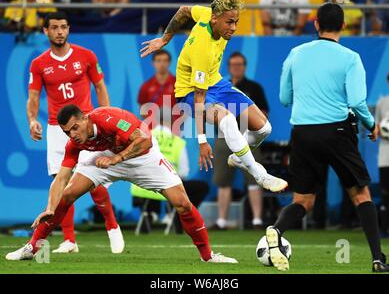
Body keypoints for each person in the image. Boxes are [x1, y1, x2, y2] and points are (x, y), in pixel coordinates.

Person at [6, 105, 237, 264]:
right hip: (103, 157)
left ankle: (208, 256)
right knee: (66, 196)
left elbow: (143, 141)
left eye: (75, 127)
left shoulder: (110, 118)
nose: (72, 135)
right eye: (67, 132)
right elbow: (61, 177)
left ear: (85, 118)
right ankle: (32, 247)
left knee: (183, 204)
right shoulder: (74, 144)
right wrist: (50, 206)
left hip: (141, 156)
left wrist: (117, 158)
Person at [265, 3, 389, 272]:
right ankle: (378, 259)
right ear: (343, 25)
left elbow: (284, 99)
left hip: (302, 132)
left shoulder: (296, 54)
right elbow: (357, 101)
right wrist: (371, 124)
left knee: (303, 201)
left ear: (316, 24)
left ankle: (276, 229)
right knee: (360, 195)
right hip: (337, 131)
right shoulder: (350, 57)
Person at [140, 0, 287, 194]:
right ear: (215, 19)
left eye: (236, 21)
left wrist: (164, 39)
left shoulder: (206, 13)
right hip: (190, 92)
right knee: (227, 120)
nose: (233, 28)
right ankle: (258, 172)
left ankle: (238, 158)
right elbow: (199, 99)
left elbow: (183, 11)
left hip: (216, 83)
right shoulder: (203, 48)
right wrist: (202, 141)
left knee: (263, 129)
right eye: (229, 22)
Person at [26, 11, 124, 254]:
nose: (60, 31)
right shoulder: (39, 64)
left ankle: (112, 226)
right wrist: (32, 120)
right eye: (55, 27)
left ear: (68, 29)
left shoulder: (86, 56)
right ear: (45, 31)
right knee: (60, 183)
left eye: (63, 27)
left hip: (86, 126)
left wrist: (106, 116)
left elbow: (100, 86)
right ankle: (69, 240)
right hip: (56, 129)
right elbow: (34, 96)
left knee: (92, 180)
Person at [212, 52, 269, 230]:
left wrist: (242, 119)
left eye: (240, 65)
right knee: (223, 180)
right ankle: (222, 221)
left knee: (254, 178)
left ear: (244, 67)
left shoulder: (254, 87)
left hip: (247, 136)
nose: (236, 68)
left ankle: (257, 220)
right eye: (233, 65)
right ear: (228, 67)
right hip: (223, 137)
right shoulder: (221, 87)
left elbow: (263, 115)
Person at [138, 49, 177, 128]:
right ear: (153, 63)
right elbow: (142, 107)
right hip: (153, 130)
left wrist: (176, 124)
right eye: (158, 61)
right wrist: (151, 124)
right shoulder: (146, 85)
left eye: (165, 61)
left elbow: (183, 106)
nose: (162, 64)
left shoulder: (177, 84)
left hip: (173, 130)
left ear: (169, 63)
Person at [375, 73, 389, 237]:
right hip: (385, 157)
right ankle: (384, 227)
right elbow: (377, 128)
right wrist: (382, 131)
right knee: (386, 192)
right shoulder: (382, 103)